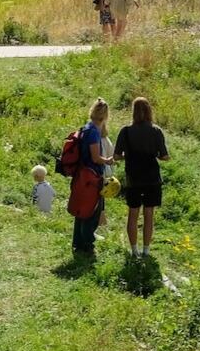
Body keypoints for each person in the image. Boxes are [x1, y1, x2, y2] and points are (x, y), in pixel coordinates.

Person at [114, 97, 170, 258]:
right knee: (149, 214)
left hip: (133, 178)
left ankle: (134, 250)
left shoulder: (126, 131)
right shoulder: (156, 130)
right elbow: (164, 156)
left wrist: (128, 156)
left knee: (133, 214)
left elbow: (117, 156)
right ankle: (146, 250)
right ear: (149, 111)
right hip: (152, 177)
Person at [64, 101, 109, 254]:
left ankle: (77, 242)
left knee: (80, 209)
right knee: (92, 210)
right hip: (92, 176)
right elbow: (96, 157)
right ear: (105, 115)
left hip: (81, 174)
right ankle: (87, 244)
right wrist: (108, 160)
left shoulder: (86, 127)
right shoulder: (94, 132)